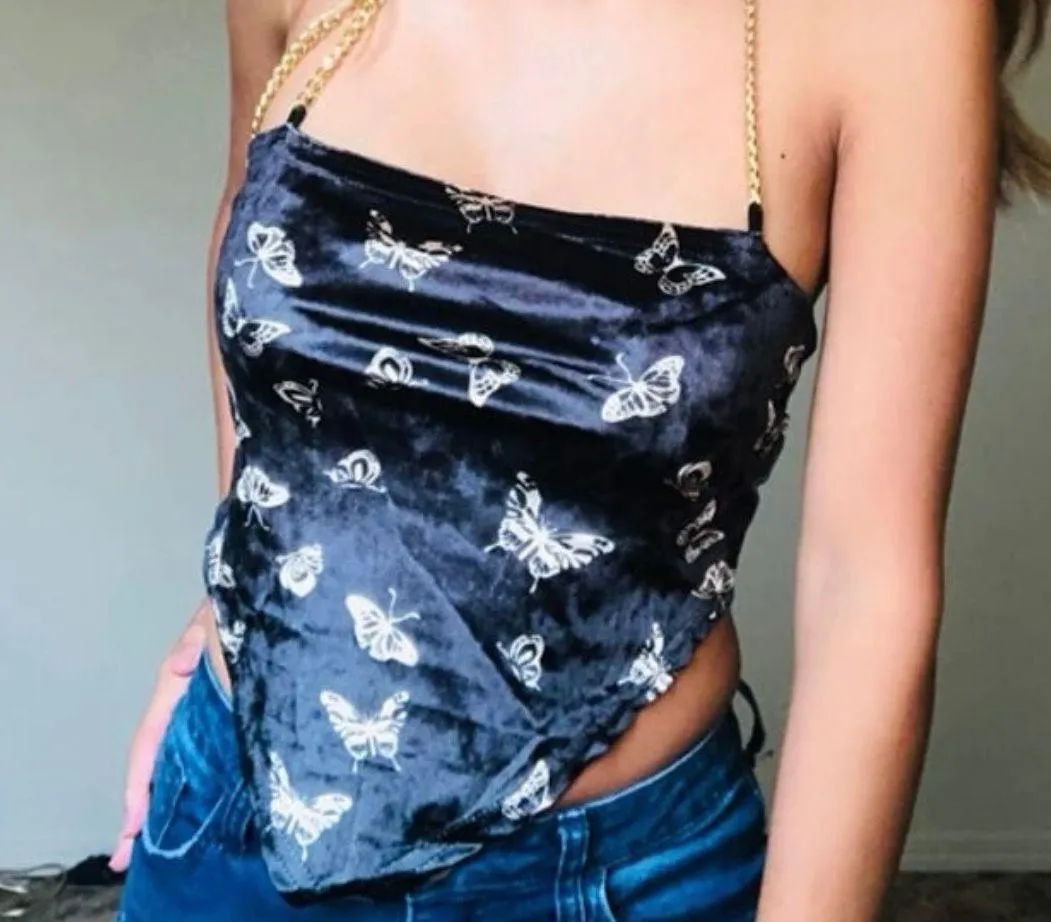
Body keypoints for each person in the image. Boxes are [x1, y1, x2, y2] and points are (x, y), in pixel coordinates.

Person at [110, 1, 1050, 919]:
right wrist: (232, 591)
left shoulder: (896, 21)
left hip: (599, 875)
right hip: (225, 825)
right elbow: (253, 245)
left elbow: (865, 583)